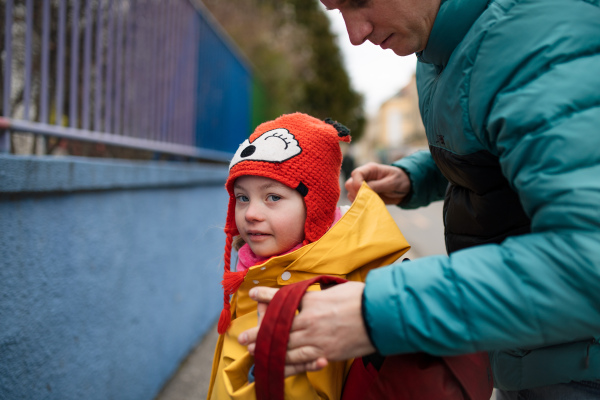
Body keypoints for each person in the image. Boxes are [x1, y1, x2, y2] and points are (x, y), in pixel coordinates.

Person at [238, 0, 600, 398]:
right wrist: (416, 176)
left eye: (357, 3)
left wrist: (378, 312)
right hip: (522, 348)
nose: (355, 34)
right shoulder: (436, 47)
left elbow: (587, 259)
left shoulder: (541, 43)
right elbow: (505, 146)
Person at [206, 112, 410, 399]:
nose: (250, 213)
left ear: (316, 207)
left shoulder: (319, 298)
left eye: (273, 197)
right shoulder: (257, 267)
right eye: (242, 197)